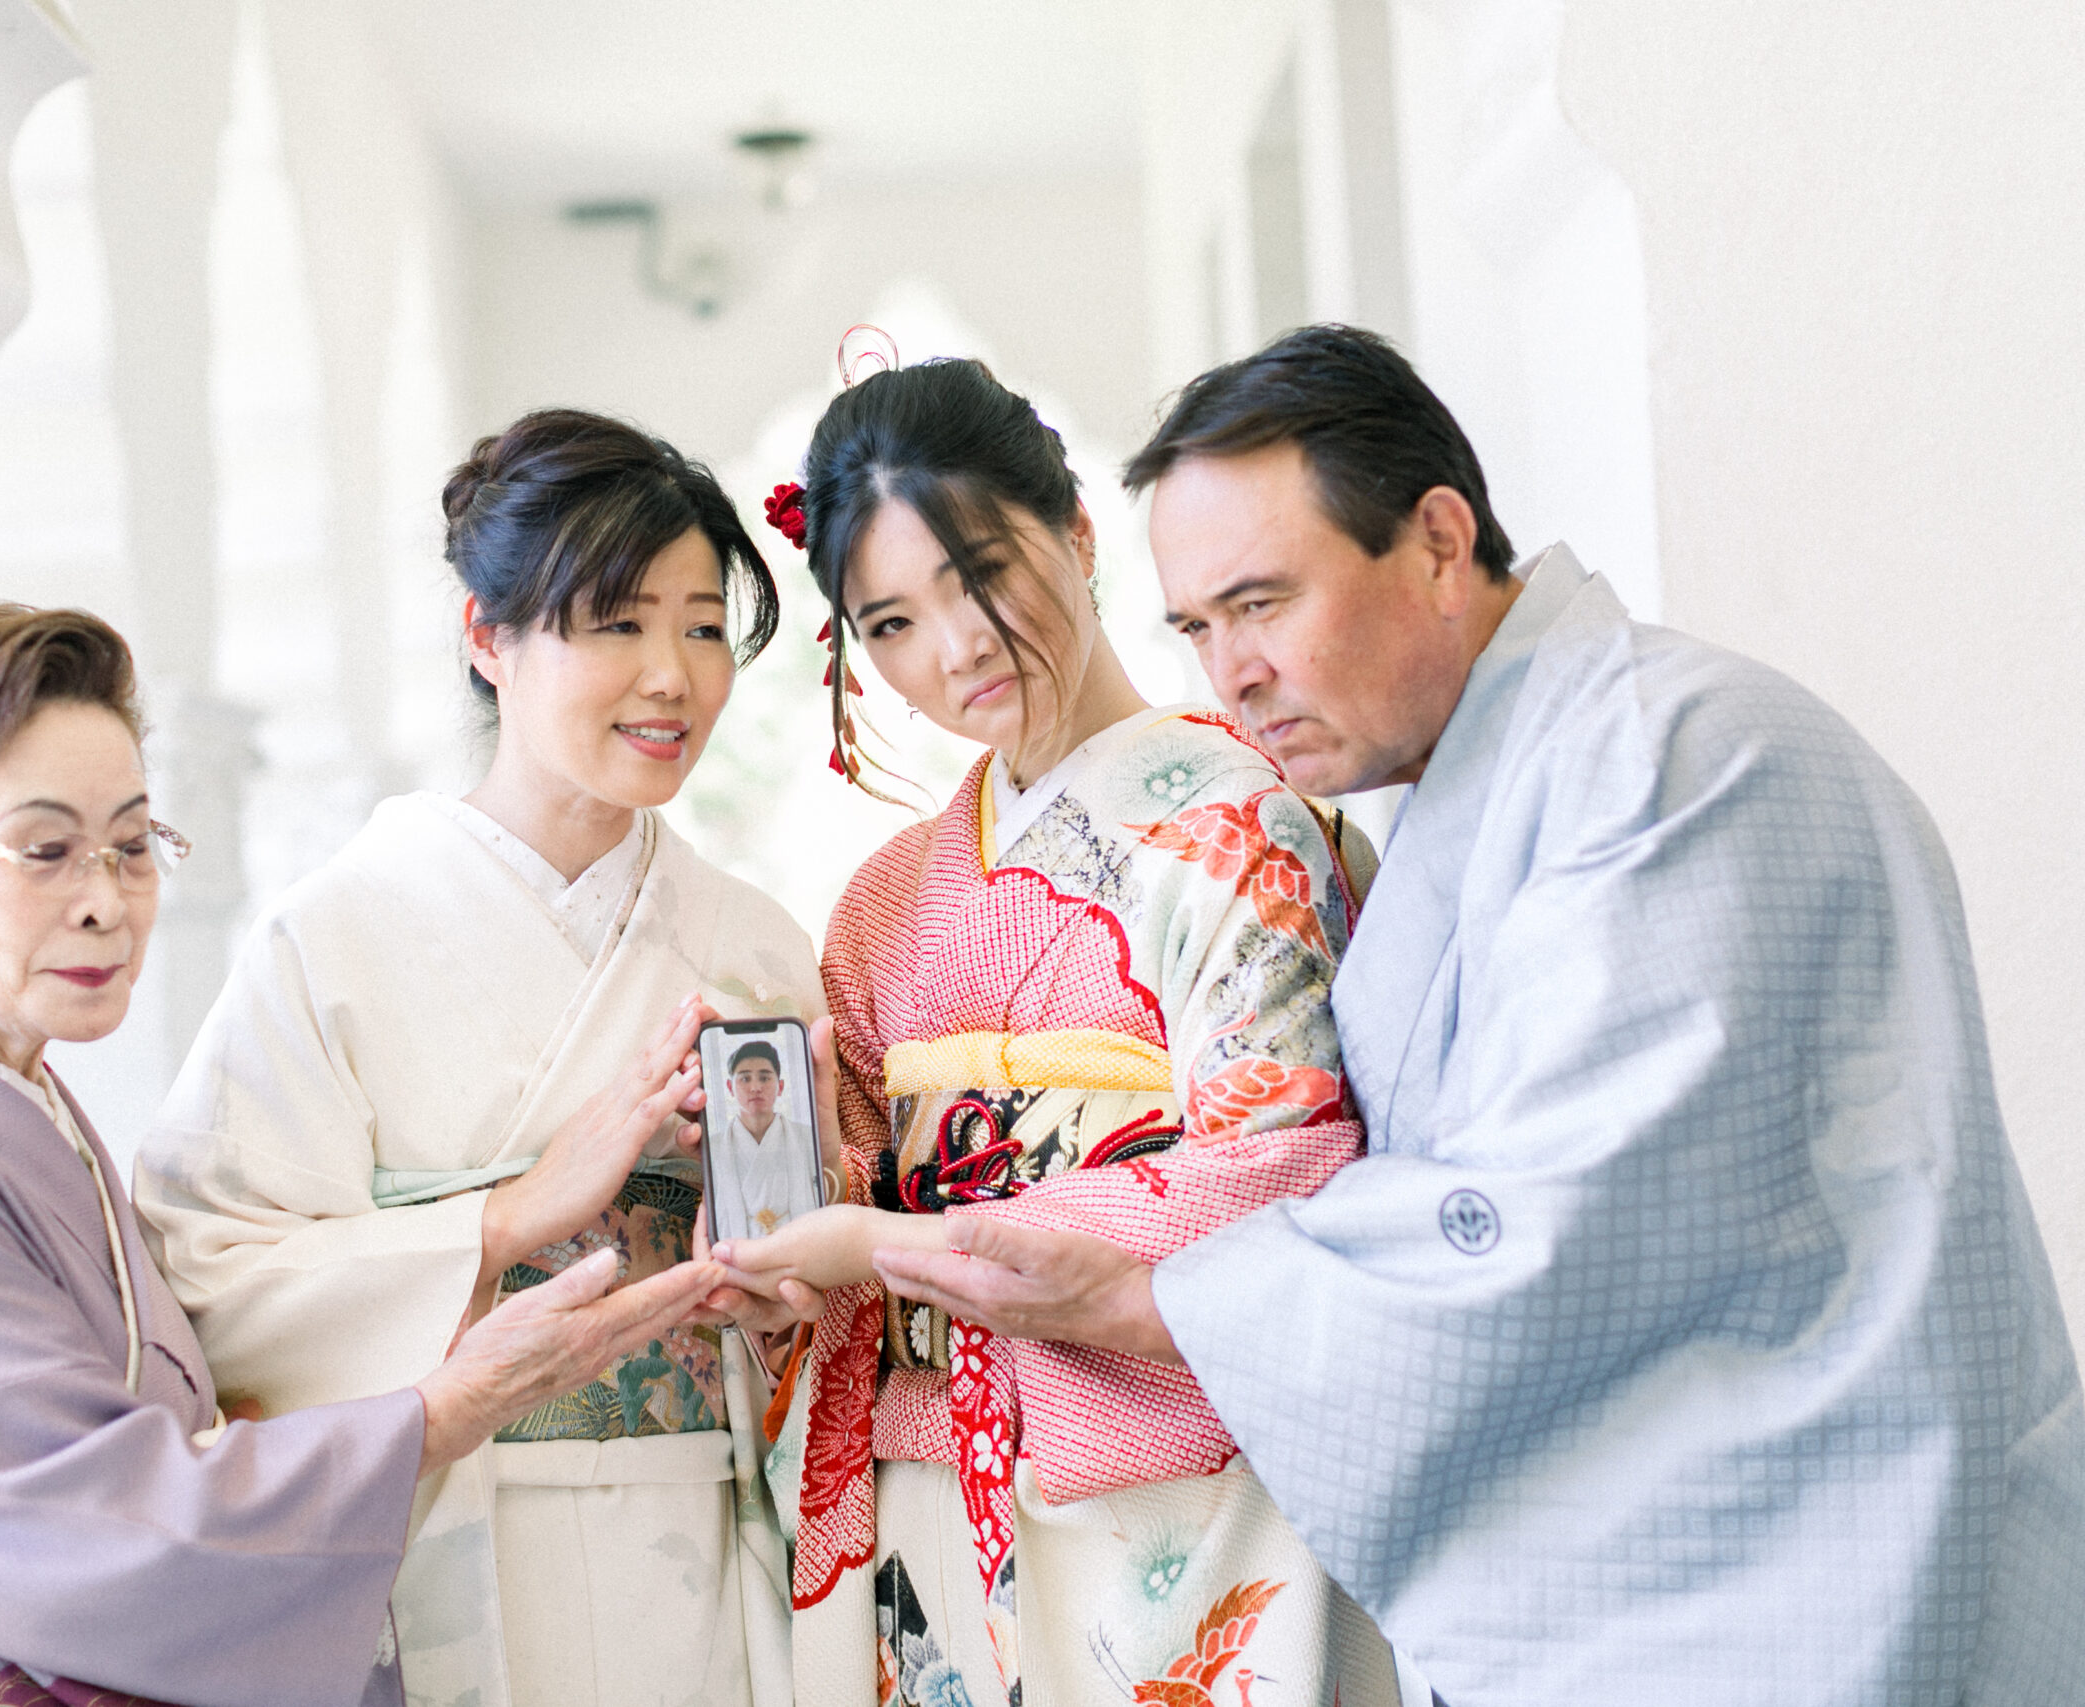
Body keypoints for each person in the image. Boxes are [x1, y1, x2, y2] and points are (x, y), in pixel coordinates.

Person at [870, 325, 2085, 1705]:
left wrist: (1146, 1290)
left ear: (1441, 542)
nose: (1233, 674)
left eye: (1263, 603)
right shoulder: (1496, 786)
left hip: (1802, 1563)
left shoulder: (1672, 762)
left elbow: (1553, 1223)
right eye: (1197, 628)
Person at [0, 604, 722, 1707]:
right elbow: (56, 1530)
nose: (106, 901)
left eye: (130, 845)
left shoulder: (9, 1115)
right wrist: (438, 1412)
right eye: (44, 850)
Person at [720, 356, 1400, 1707]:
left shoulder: (1246, 832)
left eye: (980, 573)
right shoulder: (886, 900)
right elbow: (849, 1179)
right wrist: (772, 1223)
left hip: (1188, 1494)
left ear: (1078, 533)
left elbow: (1276, 1175)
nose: (956, 646)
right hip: (931, 1490)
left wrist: (904, 1246)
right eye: (893, 621)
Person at [134, 411, 827, 1707]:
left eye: (703, 623)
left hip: (702, 1554)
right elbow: (201, 1268)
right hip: (447, 1529)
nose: (672, 673)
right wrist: (510, 1216)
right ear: (484, 635)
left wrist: (789, 1293)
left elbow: (813, 1297)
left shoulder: (756, 942)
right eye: (616, 622)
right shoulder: (332, 933)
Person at [715, 1040, 819, 1239]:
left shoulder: (805, 1137)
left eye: (764, 1078)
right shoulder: (715, 1145)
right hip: (737, 1250)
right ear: (730, 1087)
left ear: (780, 1086)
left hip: (796, 1246)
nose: (755, 1087)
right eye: (745, 1079)